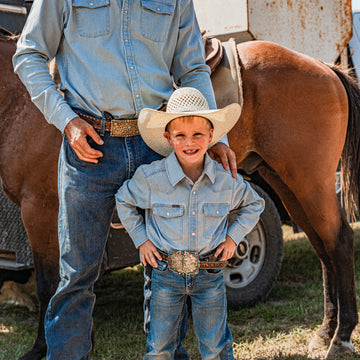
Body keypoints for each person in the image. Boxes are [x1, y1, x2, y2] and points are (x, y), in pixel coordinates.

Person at [12, 1, 238, 358]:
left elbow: (193, 69)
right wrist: (66, 121)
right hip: (91, 144)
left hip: (160, 145)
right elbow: (28, 55)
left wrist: (217, 137)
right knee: (76, 275)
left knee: (168, 271)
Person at [116, 87, 265, 359]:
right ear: (168, 138)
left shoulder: (225, 180)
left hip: (209, 274)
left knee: (215, 346)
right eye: (181, 135)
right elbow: (123, 199)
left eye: (198, 134)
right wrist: (142, 239)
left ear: (211, 136)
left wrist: (233, 238)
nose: (190, 142)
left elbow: (254, 204)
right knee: (160, 347)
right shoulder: (151, 179)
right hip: (164, 274)